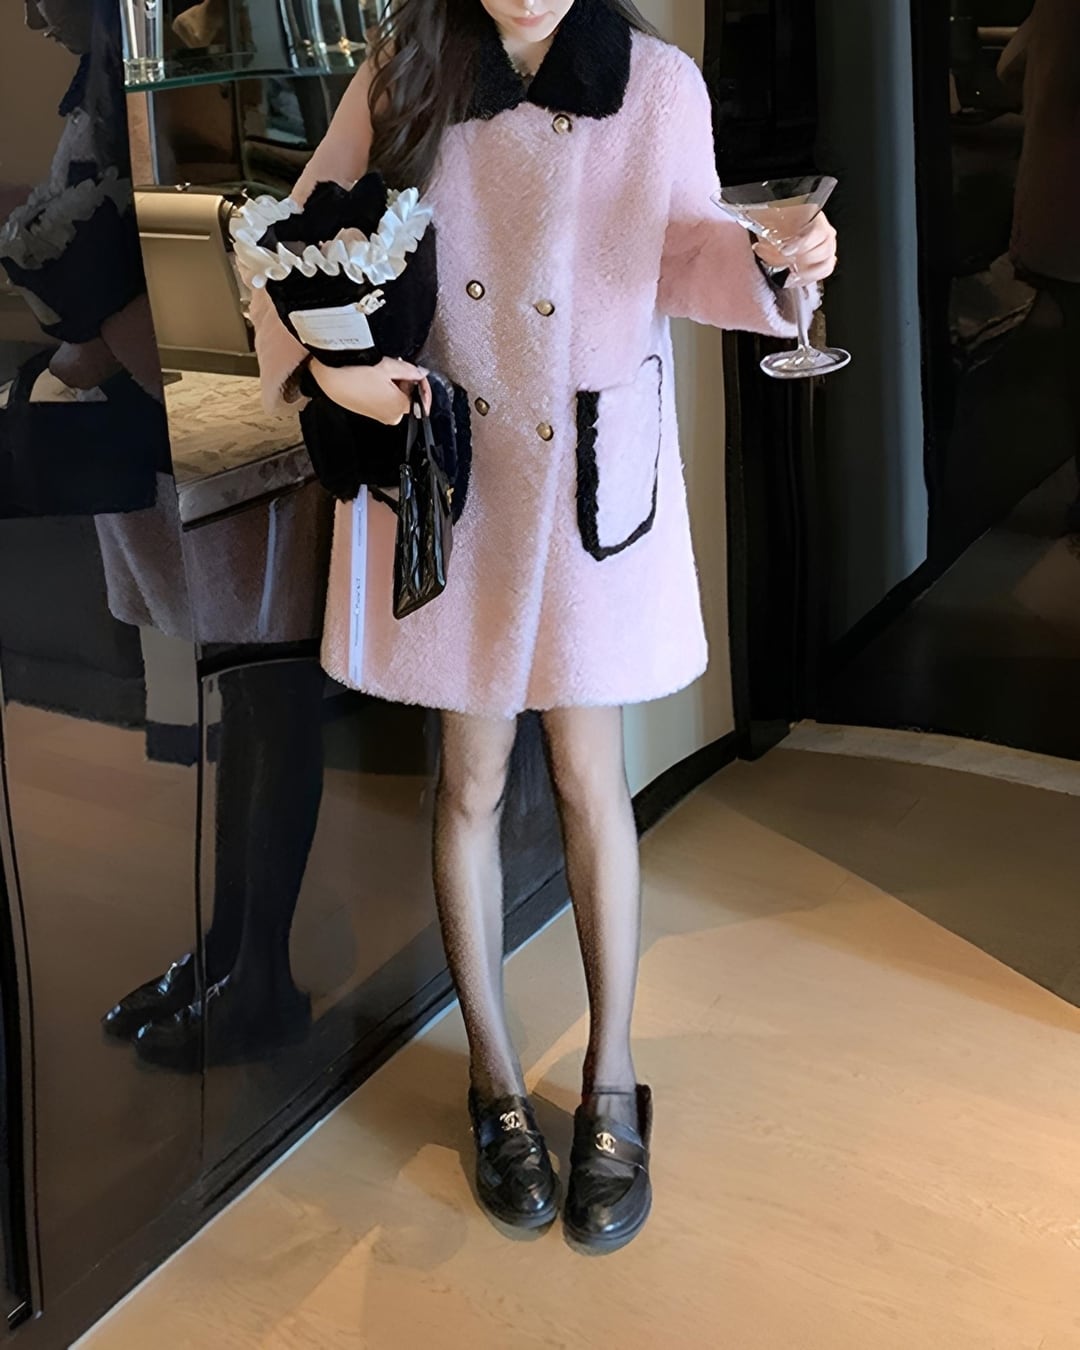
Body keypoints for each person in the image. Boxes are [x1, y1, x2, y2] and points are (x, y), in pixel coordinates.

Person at [248, 0, 838, 1252]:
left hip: (583, 479)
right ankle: (495, 1084)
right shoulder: (406, 65)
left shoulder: (655, 83)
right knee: (467, 781)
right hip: (456, 473)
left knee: (586, 777)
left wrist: (779, 262)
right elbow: (289, 245)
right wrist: (338, 370)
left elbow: (688, 251)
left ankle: (614, 1079)